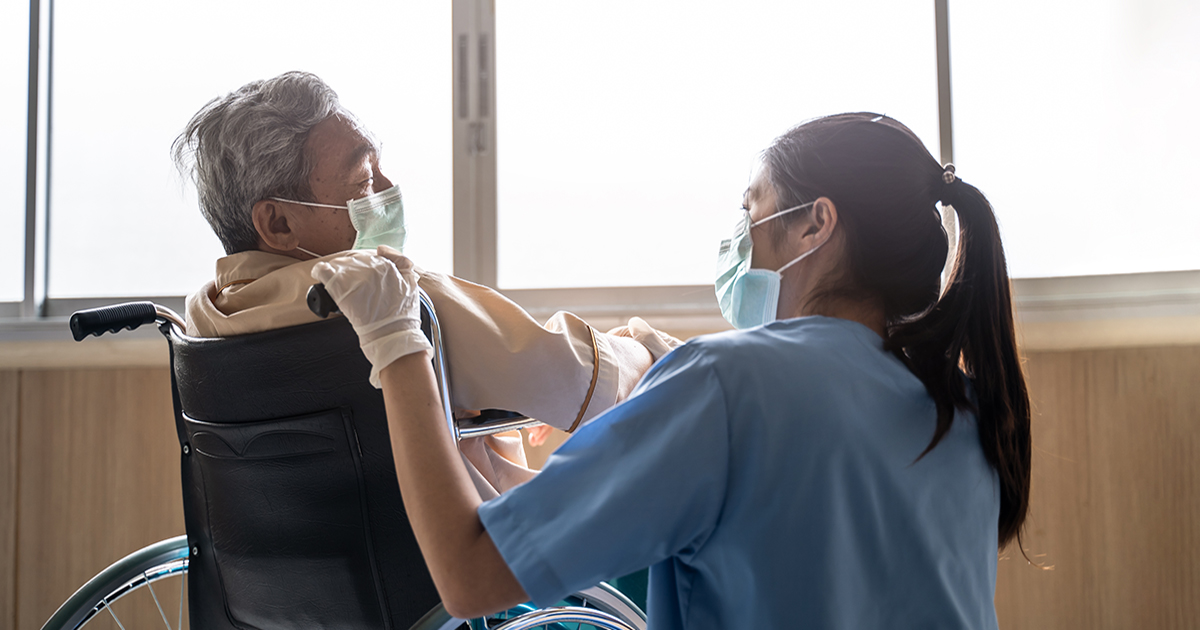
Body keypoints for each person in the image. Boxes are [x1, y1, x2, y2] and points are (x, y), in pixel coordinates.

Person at [315, 113, 1033, 628]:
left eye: (751, 208)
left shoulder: (726, 385)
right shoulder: (962, 403)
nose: (737, 236)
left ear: (817, 223)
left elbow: (470, 577)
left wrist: (396, 340)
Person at [172, 71, 671, 497]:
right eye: (364, 180)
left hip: (290, 590)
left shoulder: (204, 320)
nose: (389, 191)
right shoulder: (392, 302)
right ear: (278, 224)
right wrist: (642, 346)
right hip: (462, 579)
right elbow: (579, 382)